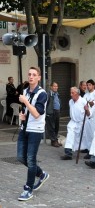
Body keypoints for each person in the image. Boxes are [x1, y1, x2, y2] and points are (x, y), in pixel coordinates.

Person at [17, 67, 49, 201]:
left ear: (39, 78)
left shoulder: (42, 94)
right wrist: (23, 115)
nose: (31, 77)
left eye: (34, 75)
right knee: (20, 157)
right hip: (24, 128)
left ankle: (28, 189)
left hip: (35, 131)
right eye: (29, 74)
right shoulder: (25, 91)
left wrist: (25, 101)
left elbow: (36, 114)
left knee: (31, 159)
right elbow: (28, 111)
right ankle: (41, 174)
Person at [60, 87, 87, 160]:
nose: (71, 94)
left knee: (84, 138)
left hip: (81, 123)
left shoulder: (83, 101)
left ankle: (89, 151)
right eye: (70, 93)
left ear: (77, 94)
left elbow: (88, 113)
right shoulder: (70, 101)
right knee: (70, 137)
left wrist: (87, 110)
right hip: (72, 122)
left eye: (73, 93)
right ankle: (68, 153)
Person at [82, 79, 95, 159]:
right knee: (87, 134)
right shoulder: (86, 95)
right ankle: (88, 149)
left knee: (92, 135)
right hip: (87, 117)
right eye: (87, 85)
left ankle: (92, 151)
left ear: (93, 85)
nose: (88, 86)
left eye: (89, 85)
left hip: (94, 118)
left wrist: (91, 103)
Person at [46, 82, 61, 147]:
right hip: (51, 112)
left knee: (56, 127)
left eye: (56, 86)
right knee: (51, 127)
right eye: (54, 86)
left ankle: (56, 140)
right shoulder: (49, 94)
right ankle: (53, 141)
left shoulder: (57, 94)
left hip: (57, 112)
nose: (55, 87)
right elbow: (46, 103)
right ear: (51, 87)